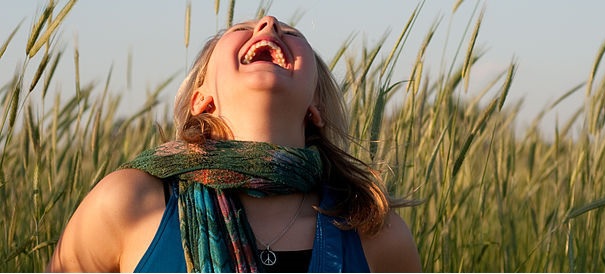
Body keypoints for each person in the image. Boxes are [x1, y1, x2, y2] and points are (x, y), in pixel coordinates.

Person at [47, 15, 421, 273]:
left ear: (316, 108)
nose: (268, 25)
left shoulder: (376, 233)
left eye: (291, 34)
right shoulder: (128, 202)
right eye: (242, 29)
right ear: (200, 99)